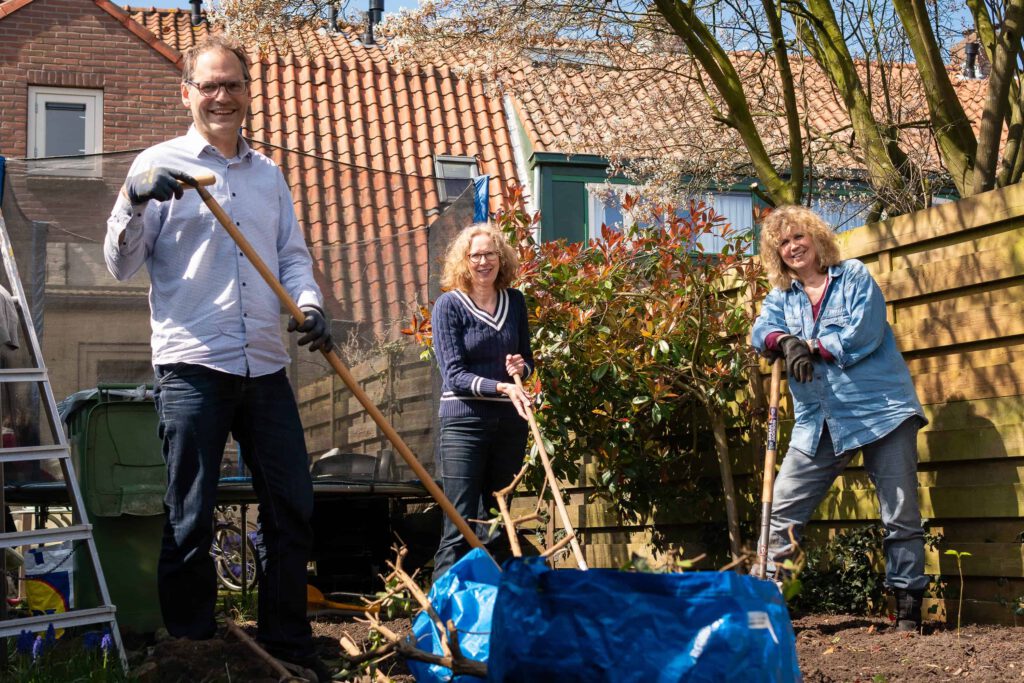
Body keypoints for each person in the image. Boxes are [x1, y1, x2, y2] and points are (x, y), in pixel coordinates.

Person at [103, 36, 332, 679]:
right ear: (188, 93)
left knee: (292, 508)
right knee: (189, 514)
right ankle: (193, 650)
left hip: (265, 364)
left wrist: (309, 306)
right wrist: (133, 197)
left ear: (248, 93)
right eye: (208, 85)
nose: (221, 95)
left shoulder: (269, 177)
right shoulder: (157, 164)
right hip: (192, 366)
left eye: (232, 84)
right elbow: (121, 267)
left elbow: (292, 257)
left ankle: (287, 647)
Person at [751, 205, 929, 632]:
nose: (793, 247)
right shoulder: (781, 298)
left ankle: (907, 611)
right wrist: (784, 340)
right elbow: (761, 332)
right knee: (782, 509)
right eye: (783, 242)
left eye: (799, 237)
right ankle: (767, 607)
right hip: (820, 419)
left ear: (815, 239)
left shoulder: (853, 276)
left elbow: (863, 334)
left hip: (880, 409)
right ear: (776, 253)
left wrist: (809, 347)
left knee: (900, 512)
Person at [431, 222, 534, 581]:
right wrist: (503, 388)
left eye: (490, 253)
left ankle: (491, 606)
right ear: (465, 261)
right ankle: (438, 613)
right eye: (476, 255)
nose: (484, 261)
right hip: (464, 424)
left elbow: (526, 359)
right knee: (458, 523)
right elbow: (454, 376)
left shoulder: (515, 301)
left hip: (509, 425)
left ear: (501, 257)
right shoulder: (448, 306)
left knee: (496, 517)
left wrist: (521, 367)